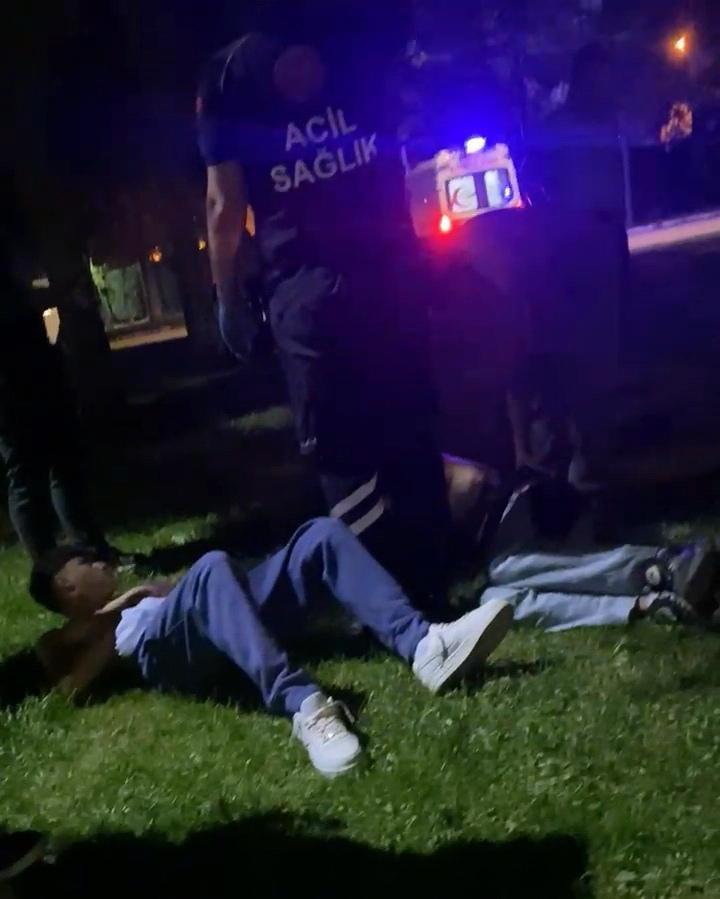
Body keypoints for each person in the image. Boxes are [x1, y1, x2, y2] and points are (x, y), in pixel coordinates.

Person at [197, 1, 450, 609]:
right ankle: (434, 580)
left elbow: (224, 205)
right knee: (409, 425)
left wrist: (227, 296)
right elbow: (399, 141)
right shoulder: (358, 39)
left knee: (338, 449)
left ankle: (385, 598)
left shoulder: (227, 74)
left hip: (305, 290)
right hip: (388, 271)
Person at [30, 518, 513, 777]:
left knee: (320, 535)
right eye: (85, 564)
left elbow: (202, 589)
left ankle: (423, 644)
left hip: (215, 614)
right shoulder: (70, 636)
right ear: (65, 587)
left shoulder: (141, 594)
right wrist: (114, 615)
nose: (100, 564)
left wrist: (154, 592)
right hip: (169, 656)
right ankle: (305, 706)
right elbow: (70, 686)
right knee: (211, 565)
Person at [477, 480, 720, 631]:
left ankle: (660, 571)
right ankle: (645, 603)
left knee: (505, 568)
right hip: (485, 563)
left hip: (520, 511)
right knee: (496, 603)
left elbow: (472, 481)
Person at [0, 258, 114, 562]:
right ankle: (50, 566)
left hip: (36, 360)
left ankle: (88, 551)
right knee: (27, 471)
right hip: (12, 374)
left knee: (62, 461)